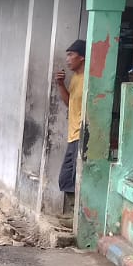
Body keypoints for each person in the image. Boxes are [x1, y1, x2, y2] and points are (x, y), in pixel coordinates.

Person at [53, 39, 87, 196]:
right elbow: (70, 103)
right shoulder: (75, 78)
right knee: (66, 178)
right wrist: (60, 84)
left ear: (82, 57)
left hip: (81, 134)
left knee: (75, 177)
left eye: (70, 55)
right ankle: (70, 214)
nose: (67, 59)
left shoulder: (88, 79)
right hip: (73, 134)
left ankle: (74, 216)